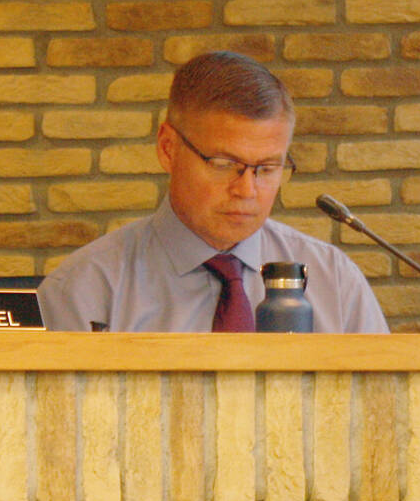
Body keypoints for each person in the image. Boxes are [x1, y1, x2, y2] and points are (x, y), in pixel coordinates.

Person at [38, 50, 388, 333]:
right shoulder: (86, 290)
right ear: (167, 148)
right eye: (223, 163)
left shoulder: (334, 282)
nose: (246, 190)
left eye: (267, 169)